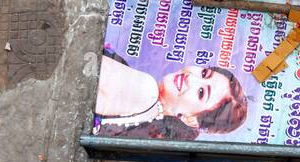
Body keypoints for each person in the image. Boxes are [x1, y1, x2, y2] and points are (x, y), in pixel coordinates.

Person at [93, 48, 249, 140]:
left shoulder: (146, 91)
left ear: (190, 119)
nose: (192, 78)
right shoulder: (145, 135)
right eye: (204, 73)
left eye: (201, 92)